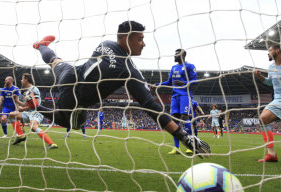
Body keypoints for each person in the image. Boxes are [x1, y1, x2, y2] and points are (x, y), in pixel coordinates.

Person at [33, 20, 210, 157]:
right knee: (70, 124)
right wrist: (183, 136)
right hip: (75, 95)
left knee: (55, 61)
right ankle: (35, 106)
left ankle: (41, 45)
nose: (143, 44)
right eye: (140, 39)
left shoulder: (106, 43)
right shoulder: (128, 70)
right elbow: (149, 105)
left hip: (71, 73)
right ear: (127, 39)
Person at [159, 49, 197, 155]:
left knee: (185, 119)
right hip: (175, 96)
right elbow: (169, 82)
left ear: (183, 55)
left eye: (176, 54)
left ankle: (191, 146)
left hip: (185, 95)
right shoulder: (174, 67)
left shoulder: (190, 66)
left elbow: (195, 81)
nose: (174, 56)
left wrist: (183, 82)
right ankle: (177, 148)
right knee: (173, 121)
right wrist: (158, 85)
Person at [10, 73, 57, 149]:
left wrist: (23, 109)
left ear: (26, 80)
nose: (21, 81)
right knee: (11, 115)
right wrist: (17, 101)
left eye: (22, 79)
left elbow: (36, 104)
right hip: (28, 112)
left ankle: (52, 144)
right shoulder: (26, 91)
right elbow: (26, 104)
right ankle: (21, 136)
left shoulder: (33, 89)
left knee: (33, 126)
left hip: (36, 112)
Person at [254, 44, 281, 162]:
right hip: (278, 99)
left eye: (270, 50)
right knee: (263, 119)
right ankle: (271, 155)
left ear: (277, 50)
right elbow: (270, 83)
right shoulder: (271, 67)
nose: (268, 53)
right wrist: (260, 77)